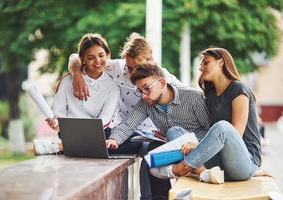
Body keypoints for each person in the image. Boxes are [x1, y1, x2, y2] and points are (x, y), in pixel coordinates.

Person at [68, 33, 183, 199]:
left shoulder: (164, 78)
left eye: (138, 68)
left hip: (152, 135)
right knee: (98, 142)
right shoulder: (117, 68)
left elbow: (185, 101)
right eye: (129, 67)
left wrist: (170, 129)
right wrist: (77, 76)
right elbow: (75, 57)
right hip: (123, 131)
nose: (133, 73)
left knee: (153, 156)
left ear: (151, 62)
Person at [150, 47, 268, 183]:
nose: (201, 68)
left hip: (244, 162)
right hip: (218, 161)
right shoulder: (210, 95)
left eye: (205, 62)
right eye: (201, 64)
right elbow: (206, 130)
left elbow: (236, 134)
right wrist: (180, 140)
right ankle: (204, 173)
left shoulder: (239, 90)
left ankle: (183, 168)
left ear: (221, 62)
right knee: (174, 131)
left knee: (223, 127)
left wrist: (198, 146)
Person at [105, 63, 212, 199]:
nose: (143, 95)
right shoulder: (146, 103)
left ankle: (201, 172)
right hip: (176, 154)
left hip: (201, 154)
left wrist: (191, 142)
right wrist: (114, 139)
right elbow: (128, 124)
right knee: (150, 157)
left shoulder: (193, 97)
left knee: (173, 132)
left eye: (146, 89)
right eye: (140, 91)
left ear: (161, 83)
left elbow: (210, 131)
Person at [33, 33, 120, 155]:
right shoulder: (68, 81)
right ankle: (65, 145)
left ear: (108, 55)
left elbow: (105, 119)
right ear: (82, 59)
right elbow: (58, 112)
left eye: (101, 55)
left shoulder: (113, 87)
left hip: (99, 132)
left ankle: (58, 147)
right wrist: (56, 123)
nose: (97, 61)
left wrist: (87, 131)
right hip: (70, 132)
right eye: (91, 58)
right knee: (102, 145)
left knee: (110, 140)